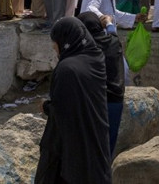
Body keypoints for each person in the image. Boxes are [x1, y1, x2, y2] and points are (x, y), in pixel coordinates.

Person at [35, 17, 112, 184]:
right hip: (96, 138)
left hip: (74, 149)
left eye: (55, 43)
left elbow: (63, 115)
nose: (54, 48)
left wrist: (46, 106)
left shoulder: (66, 69)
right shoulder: (96, 58)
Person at [77, 12, 125, 154]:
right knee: (109, 143)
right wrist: (109, 23)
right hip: (115, 100)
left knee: (90, 144)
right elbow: (113, 34)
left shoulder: (84, 47)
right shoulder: (113, 42)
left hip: (94, 101)